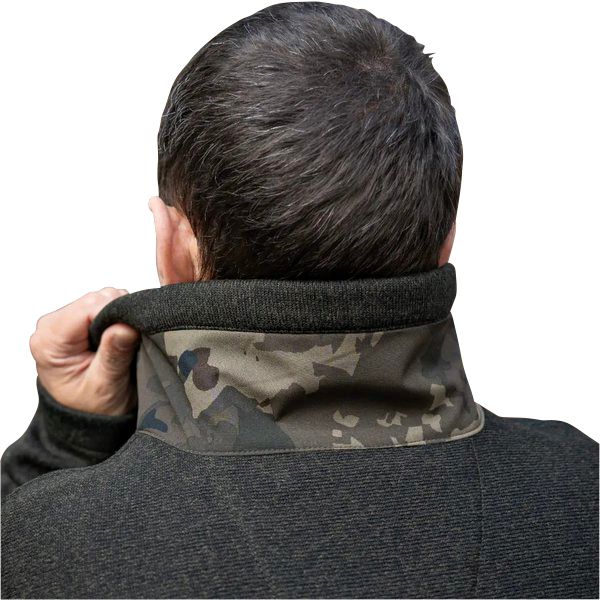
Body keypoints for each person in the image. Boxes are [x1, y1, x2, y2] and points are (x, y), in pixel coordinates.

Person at [1, 2, 598, 598]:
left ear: (173, 246)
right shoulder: (582, 490)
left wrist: (66, 438)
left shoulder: (57, 546)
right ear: (448, 237)